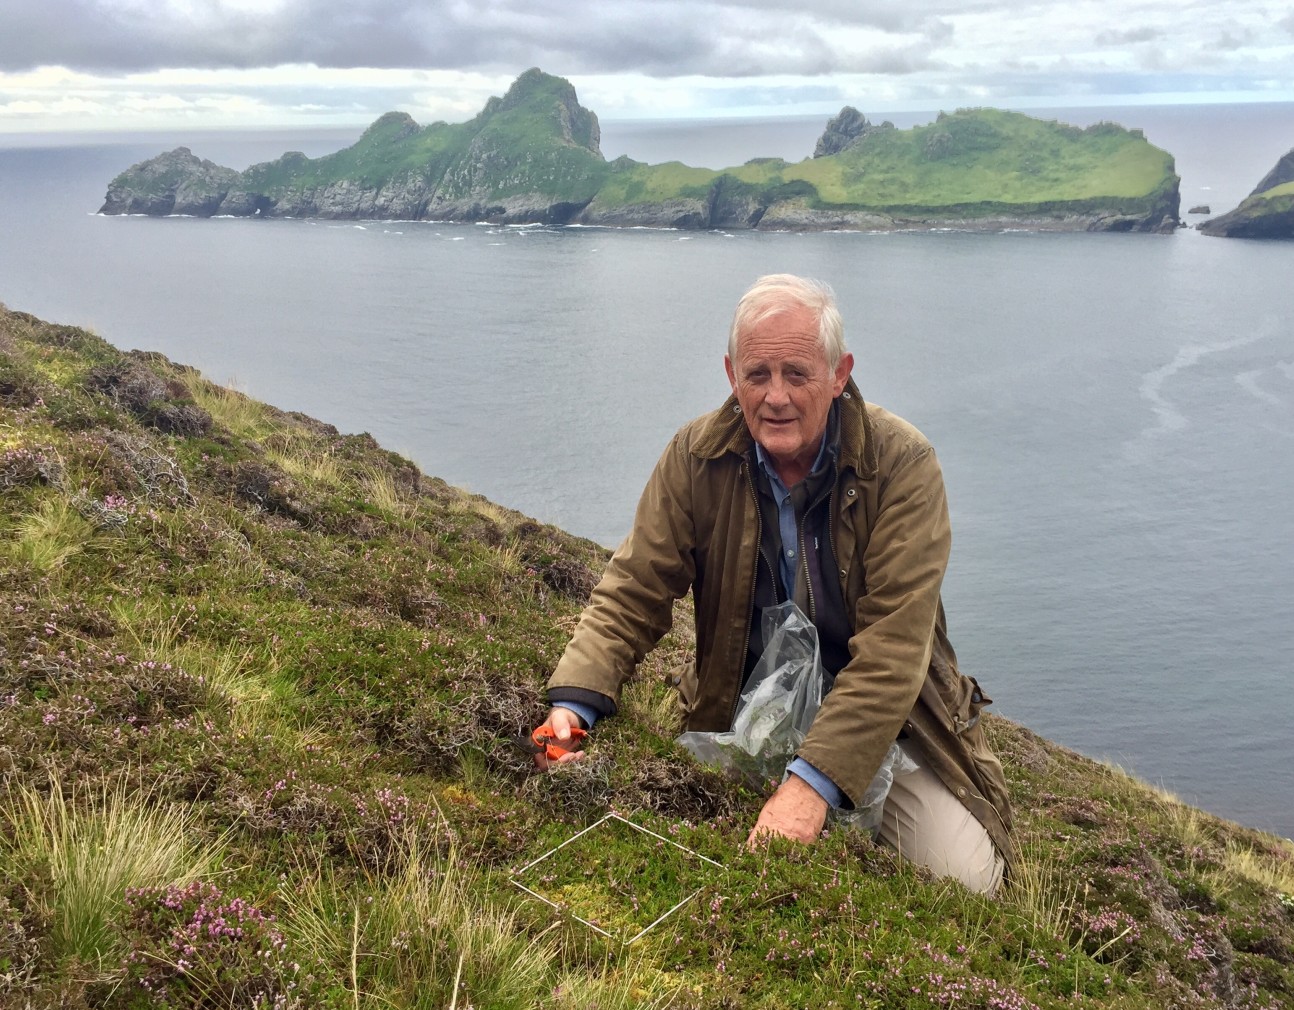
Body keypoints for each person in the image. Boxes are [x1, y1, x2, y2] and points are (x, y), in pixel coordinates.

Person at [537, 274, 1013, 894]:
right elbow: (634, 588)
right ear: (732, 374)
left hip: (893, 724)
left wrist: (811, 784)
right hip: (742, 709)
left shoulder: (901, 466)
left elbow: (894, 653)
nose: (776, 396)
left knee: (966, 880)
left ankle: (838, 797)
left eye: (798, 373)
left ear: (839, 374)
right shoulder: (695, 458)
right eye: (757, 375)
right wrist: (576, 701)